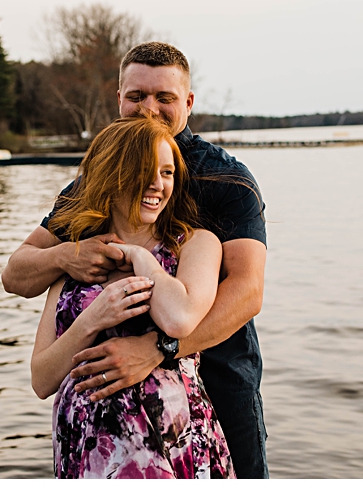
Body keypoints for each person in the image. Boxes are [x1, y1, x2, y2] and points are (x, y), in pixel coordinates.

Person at [4, 42, 268, 478]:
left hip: (216, 382)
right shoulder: (93, 184)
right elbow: (17, 273)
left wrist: (157, 350)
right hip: (96, 420)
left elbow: (247, 292)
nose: (149, 108)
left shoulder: (225, 180)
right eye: (137, 96)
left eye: (164, 98)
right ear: (119, 98)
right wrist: (69, 255)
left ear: (188, 103)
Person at [29, 114, 234, 478]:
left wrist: (141, 258)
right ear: (113, 174)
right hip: (88, 450)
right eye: (145, 171)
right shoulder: (77, 260)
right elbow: (42, 380)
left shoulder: (195, 245)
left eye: (167, 172)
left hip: (168, 442)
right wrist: (93, 319)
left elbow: (179, 319)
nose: (157, 185)